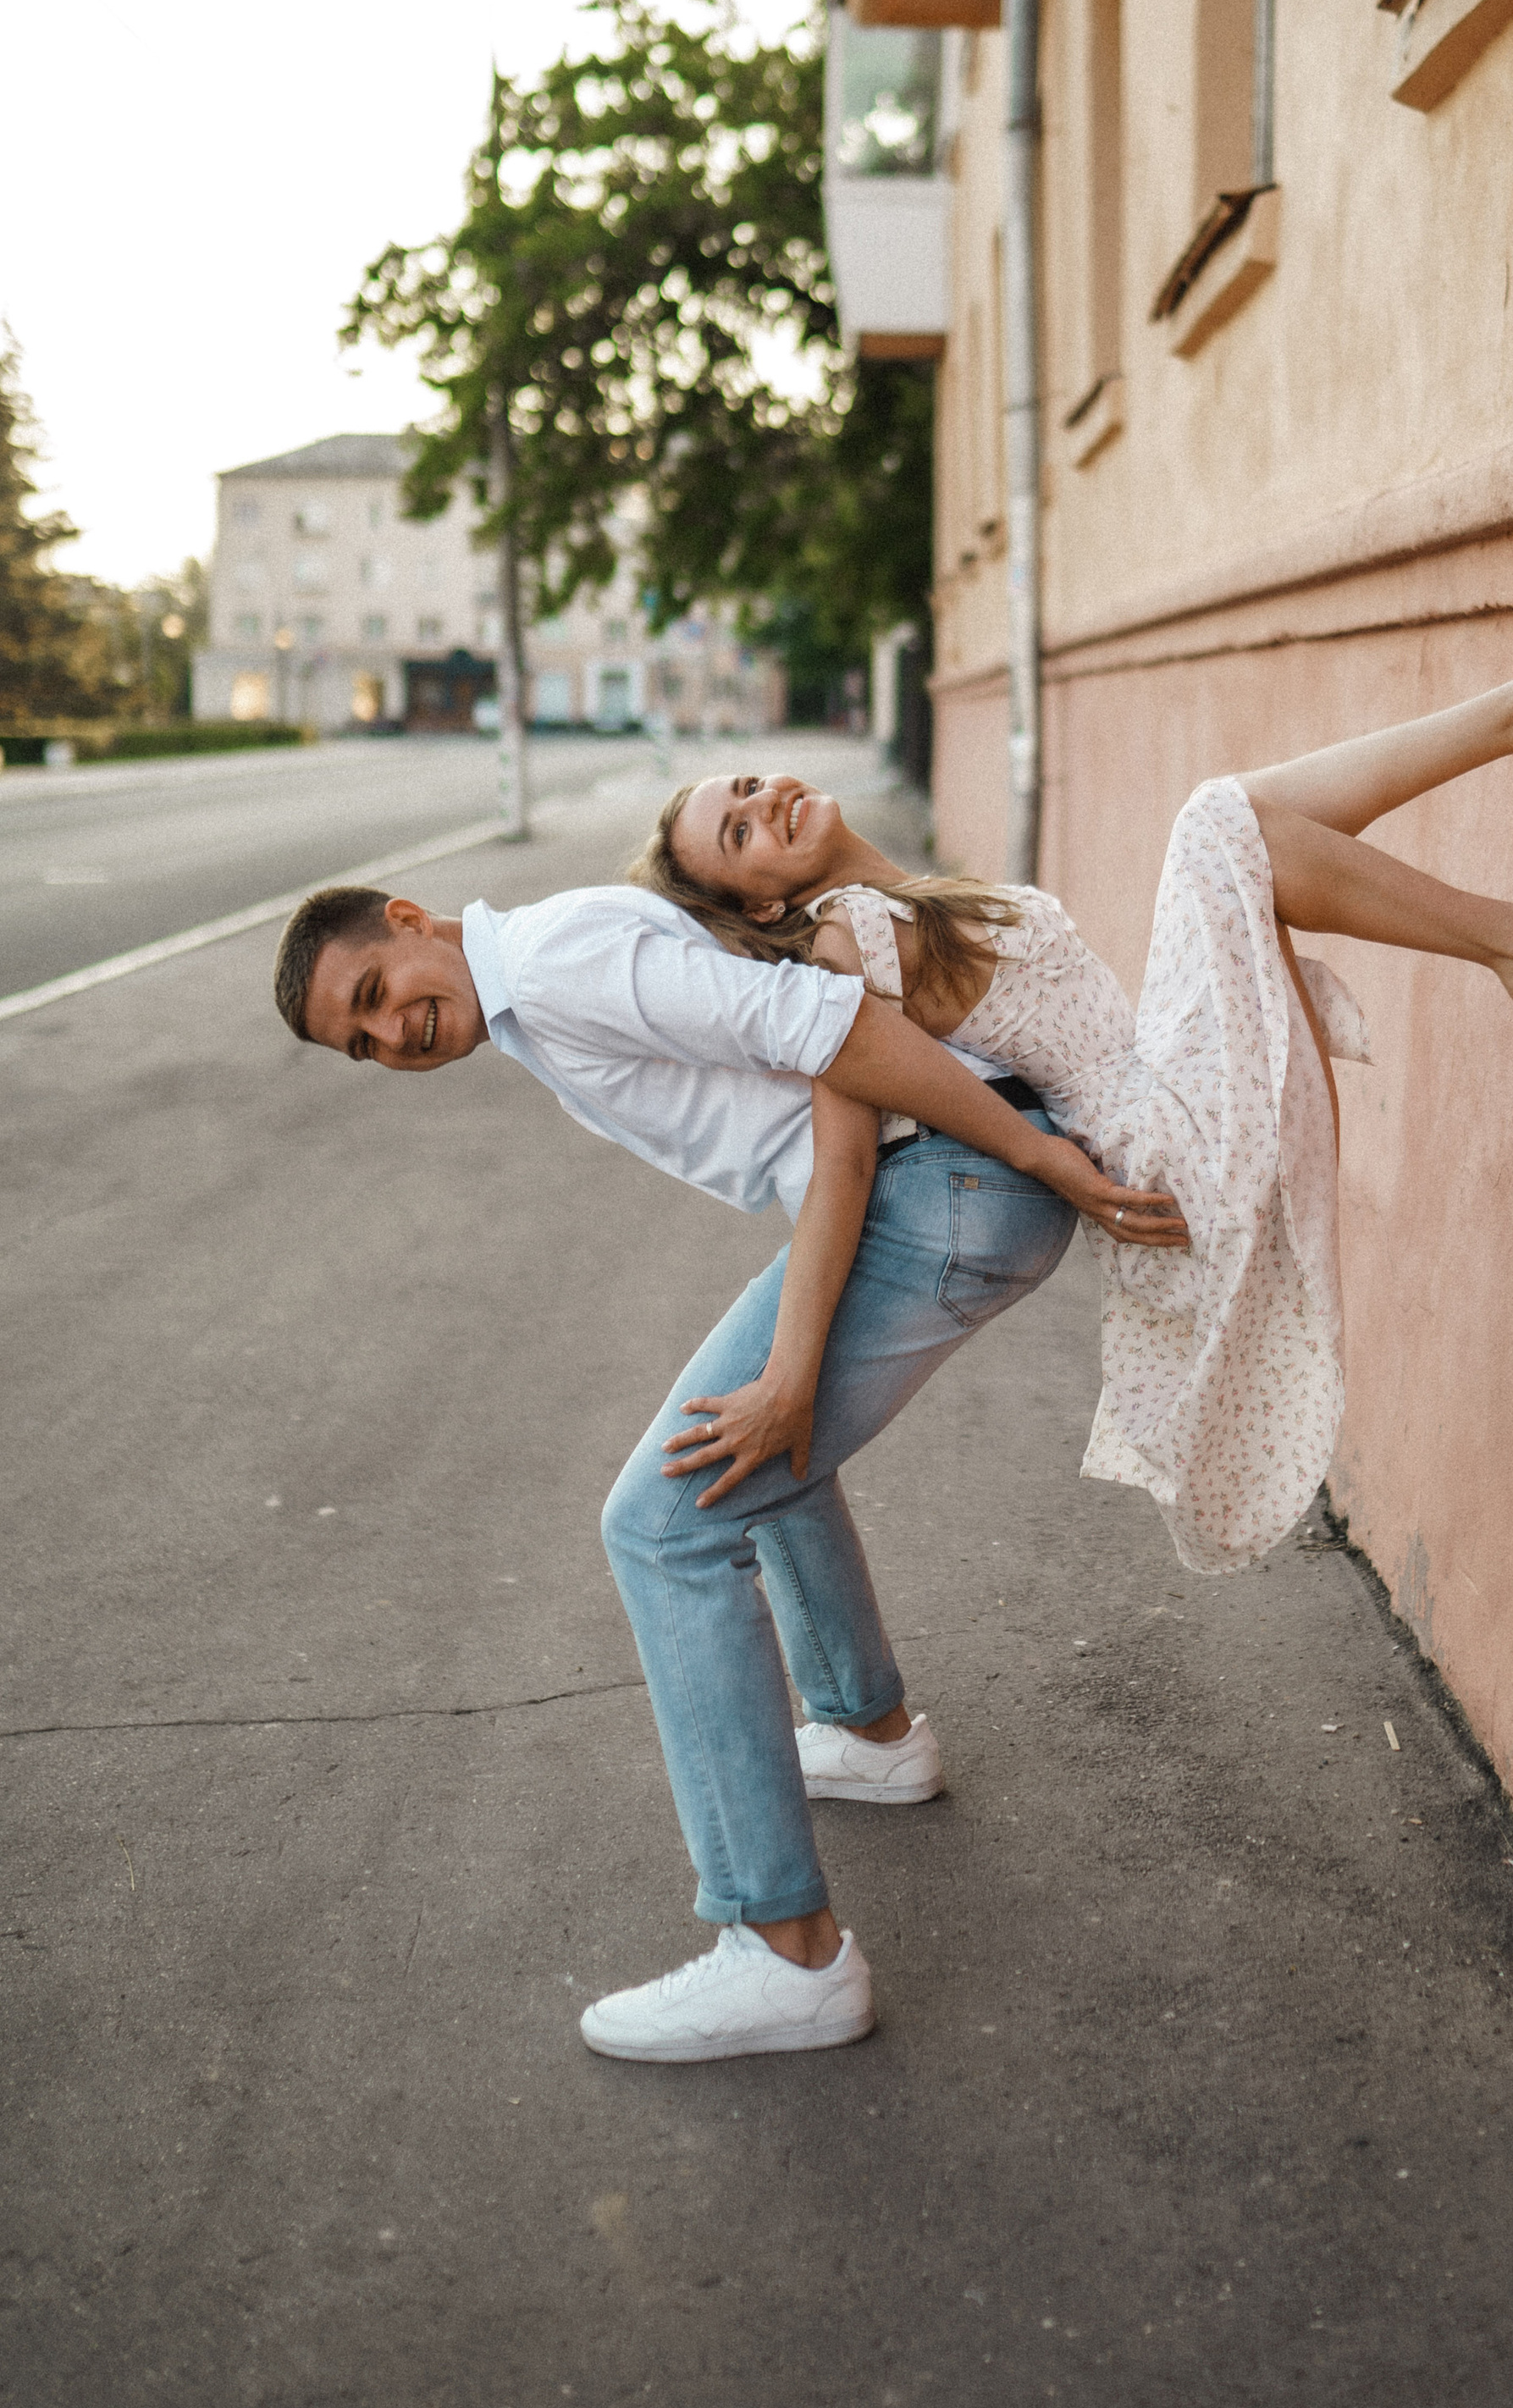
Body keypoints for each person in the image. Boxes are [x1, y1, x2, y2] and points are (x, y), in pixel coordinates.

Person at [271, 860, 1184, 2066]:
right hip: (943, 1184)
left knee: (663, 1523)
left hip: (946, 1184)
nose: (395, 1033)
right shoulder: (539, 986)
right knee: (745, 1434)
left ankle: (785, 1950)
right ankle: (868, 1734)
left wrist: (1035, 1163)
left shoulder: (557, 965)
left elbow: (843, 1034)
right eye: (366, 1043)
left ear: (409, 919)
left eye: (381, 991)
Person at [632, 603, 1513, 1579]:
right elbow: (844, 1163)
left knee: (1238, 822)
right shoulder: (840, 944)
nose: (765, 801)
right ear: (760, 898)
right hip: (1161, 1142)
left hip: (1160, 1077)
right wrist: (788, 1374)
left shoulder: (897, 898)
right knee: (1215, 823)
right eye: (739, 833)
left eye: (752, 784)